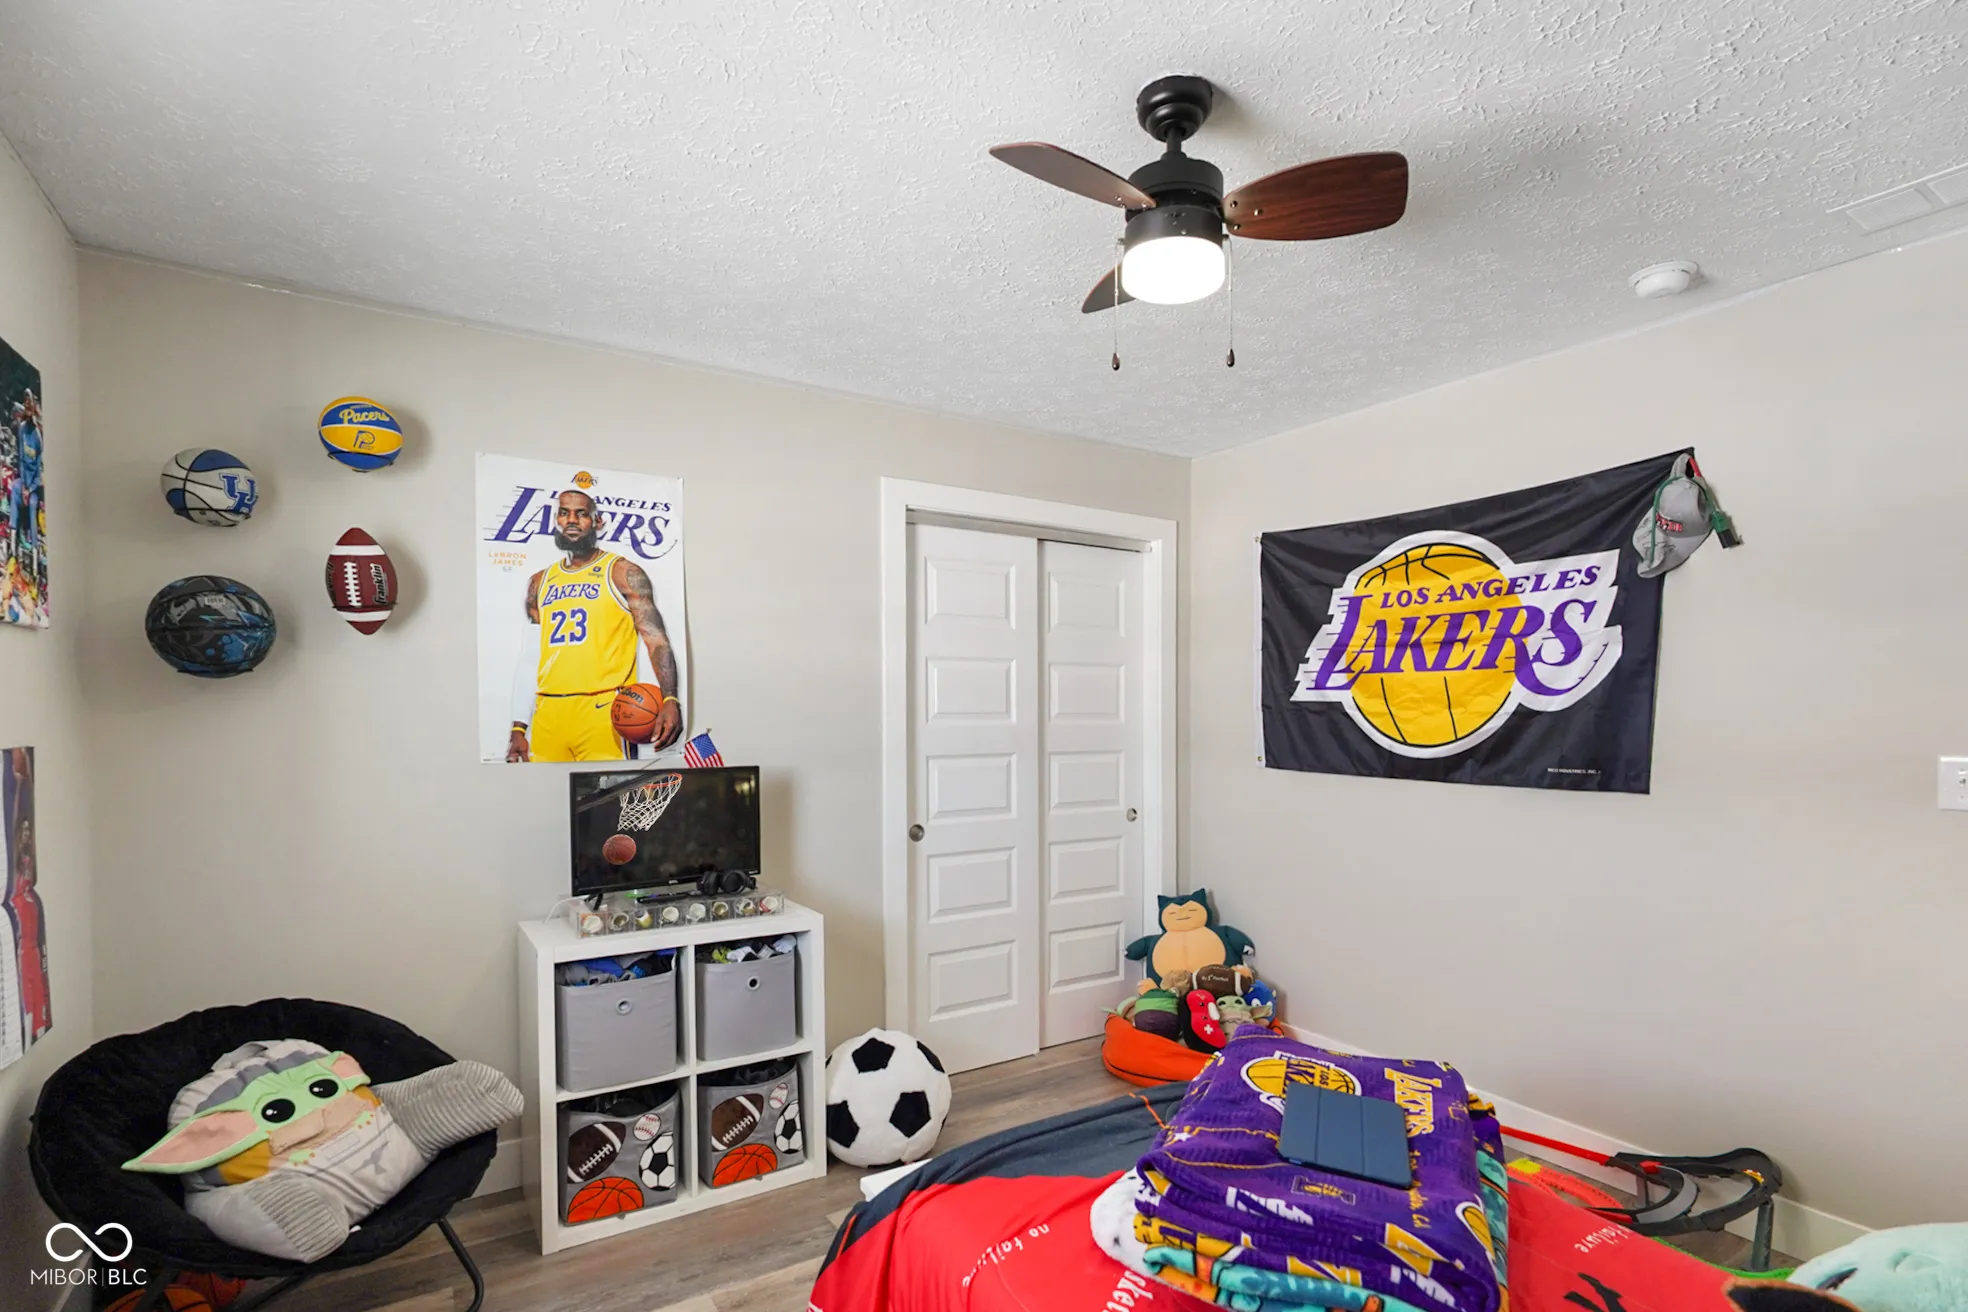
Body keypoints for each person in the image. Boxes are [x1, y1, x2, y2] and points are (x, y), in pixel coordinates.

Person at [507, 489, 681, 762]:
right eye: (564, 513)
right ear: (556, 520)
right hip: (548, 711)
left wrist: (671, 698)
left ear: (597, 522)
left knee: (607, 789)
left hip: (604, 709)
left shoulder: (622, 572)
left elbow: (656, 640)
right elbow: (531, 657)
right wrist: (519, 726)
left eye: (581, 514)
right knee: (543, 788)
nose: (571, 520)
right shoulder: (539, 582)